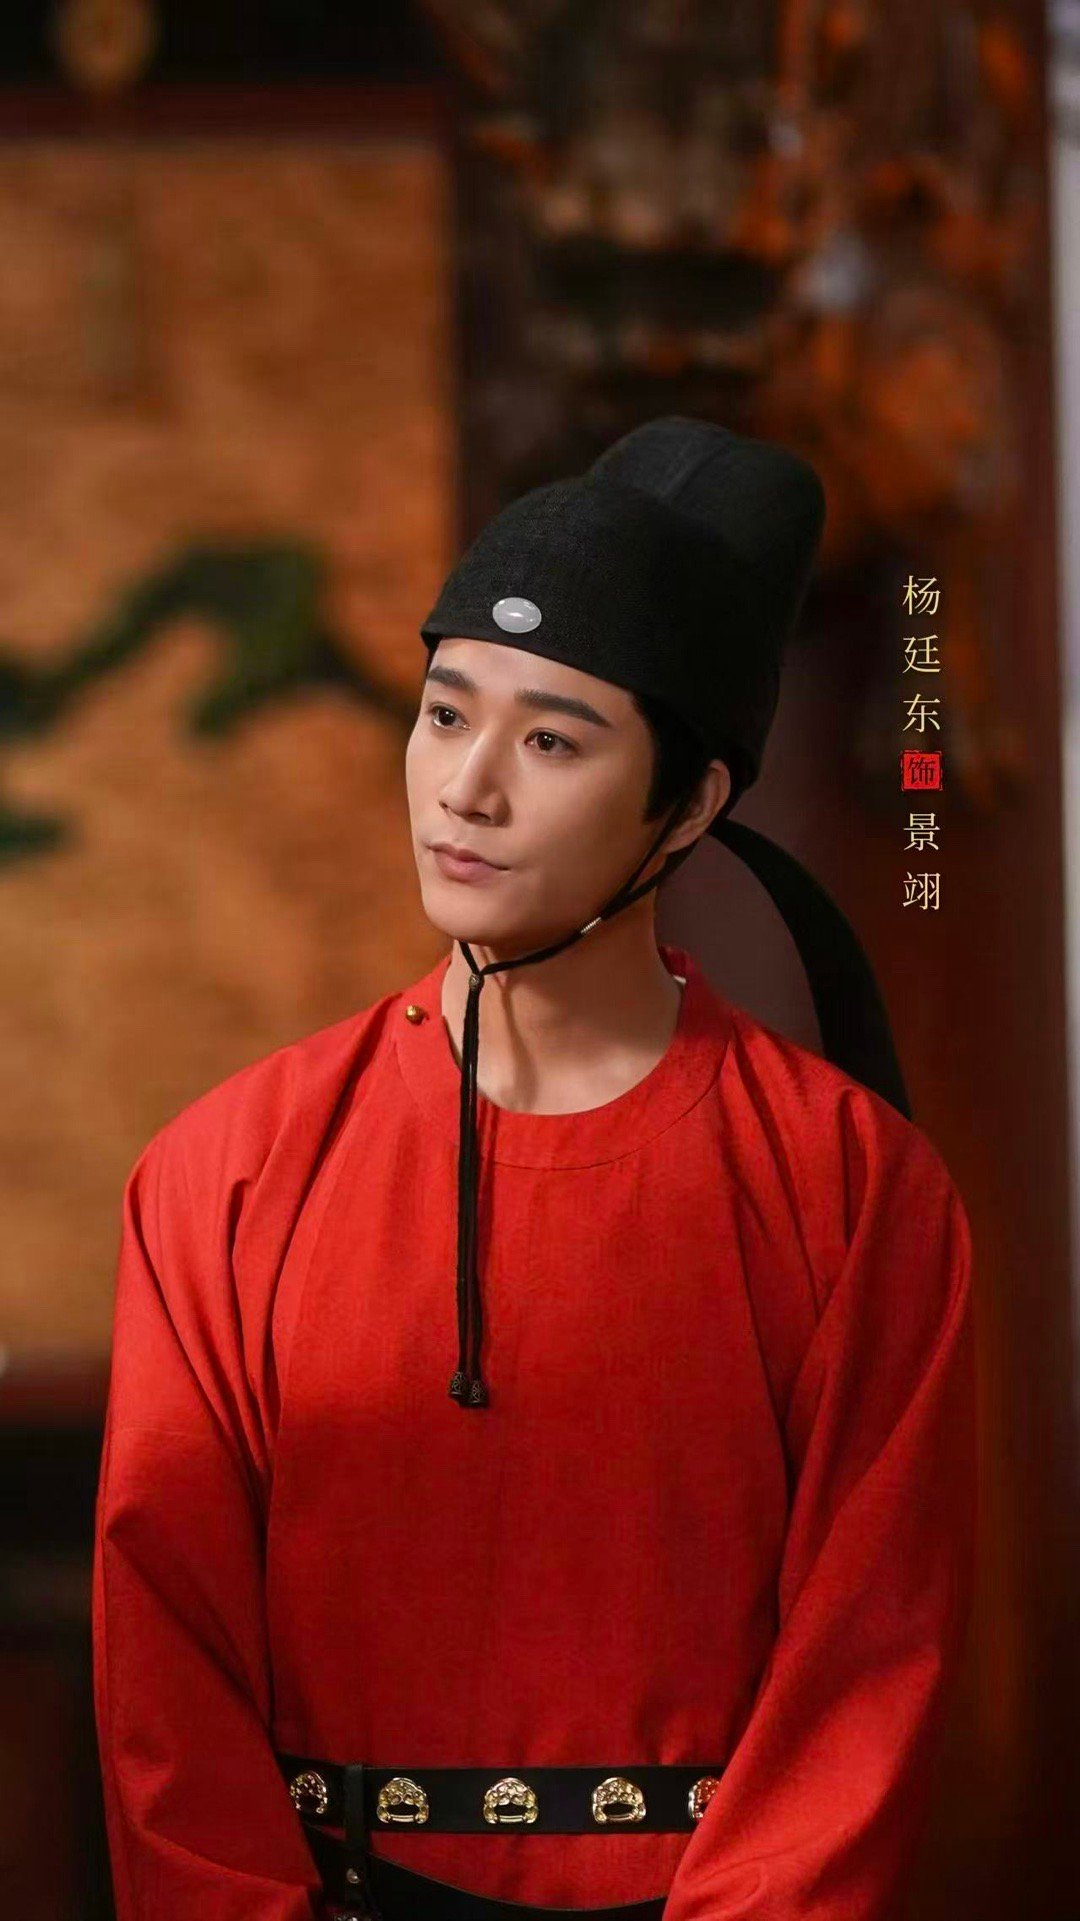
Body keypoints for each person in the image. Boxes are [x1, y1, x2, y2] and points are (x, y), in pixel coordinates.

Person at [92, 418, 978, 1921]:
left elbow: (866, 1676)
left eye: (553, 741)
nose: (467, 789)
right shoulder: (224, 1173)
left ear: (689, 807)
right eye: (445, 714)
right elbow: (166, 1678)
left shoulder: (851, 1186)